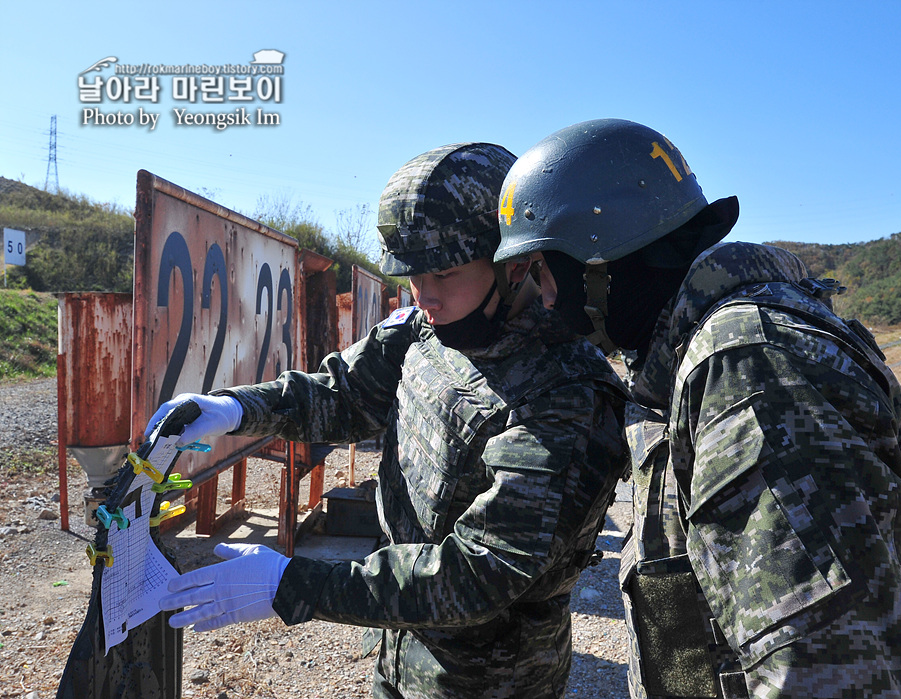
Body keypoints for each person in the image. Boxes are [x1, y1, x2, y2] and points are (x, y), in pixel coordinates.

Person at [493, 119, 901, 698]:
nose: (542, 296)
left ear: (598, 258)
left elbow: (823, 674)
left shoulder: (752, 372)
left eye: (540, 269)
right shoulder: (696, 354)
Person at [148, 142, 630, 699]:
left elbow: (481, 572)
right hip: (402, 654)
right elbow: (346, 395)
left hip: (490, 682)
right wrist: (236, 409)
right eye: (411, 275)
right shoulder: (423, 329)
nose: (424, 295)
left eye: (443, 273)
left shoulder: (566, 396)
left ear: (514, 263)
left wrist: (295, 584)